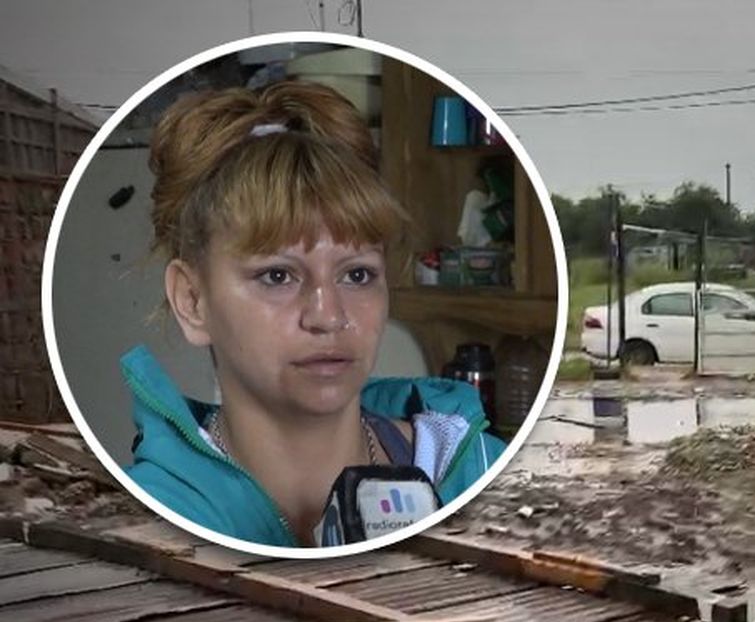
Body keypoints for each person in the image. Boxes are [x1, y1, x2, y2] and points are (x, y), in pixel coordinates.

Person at [124, 80, 504, 547]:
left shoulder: (478, 470)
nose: (328, 316)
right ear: (193, 302)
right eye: (278, 276)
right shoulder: (145, 519)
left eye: (358, 275)